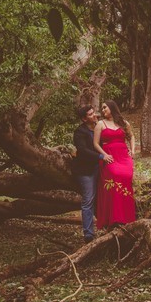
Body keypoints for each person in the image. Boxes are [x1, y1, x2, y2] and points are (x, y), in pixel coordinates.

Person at [93, 99, 136, 228]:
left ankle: (127, 217)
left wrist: (133, 151)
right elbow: (95, 143)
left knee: (126, 178)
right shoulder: (100, 124)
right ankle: (114, 217)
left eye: (105, 107)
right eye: (102, 108)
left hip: (124, 156)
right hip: (109, 156)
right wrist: (104, 155)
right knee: (115, 175)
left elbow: (131, 136)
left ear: (112, 107)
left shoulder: (123, 123)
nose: (103, 110)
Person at [70, 104, 102, 243]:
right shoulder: (79, 132)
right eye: (90, 114)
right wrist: (100, 157)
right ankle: (88, 234)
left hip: (98, 168)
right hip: (85, 171)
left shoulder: (98, 128)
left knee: (101, 198)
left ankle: (105, 224)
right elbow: (82, 151)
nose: (94, 115)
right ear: (84, 119)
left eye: (93, 112)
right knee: (88, 200)